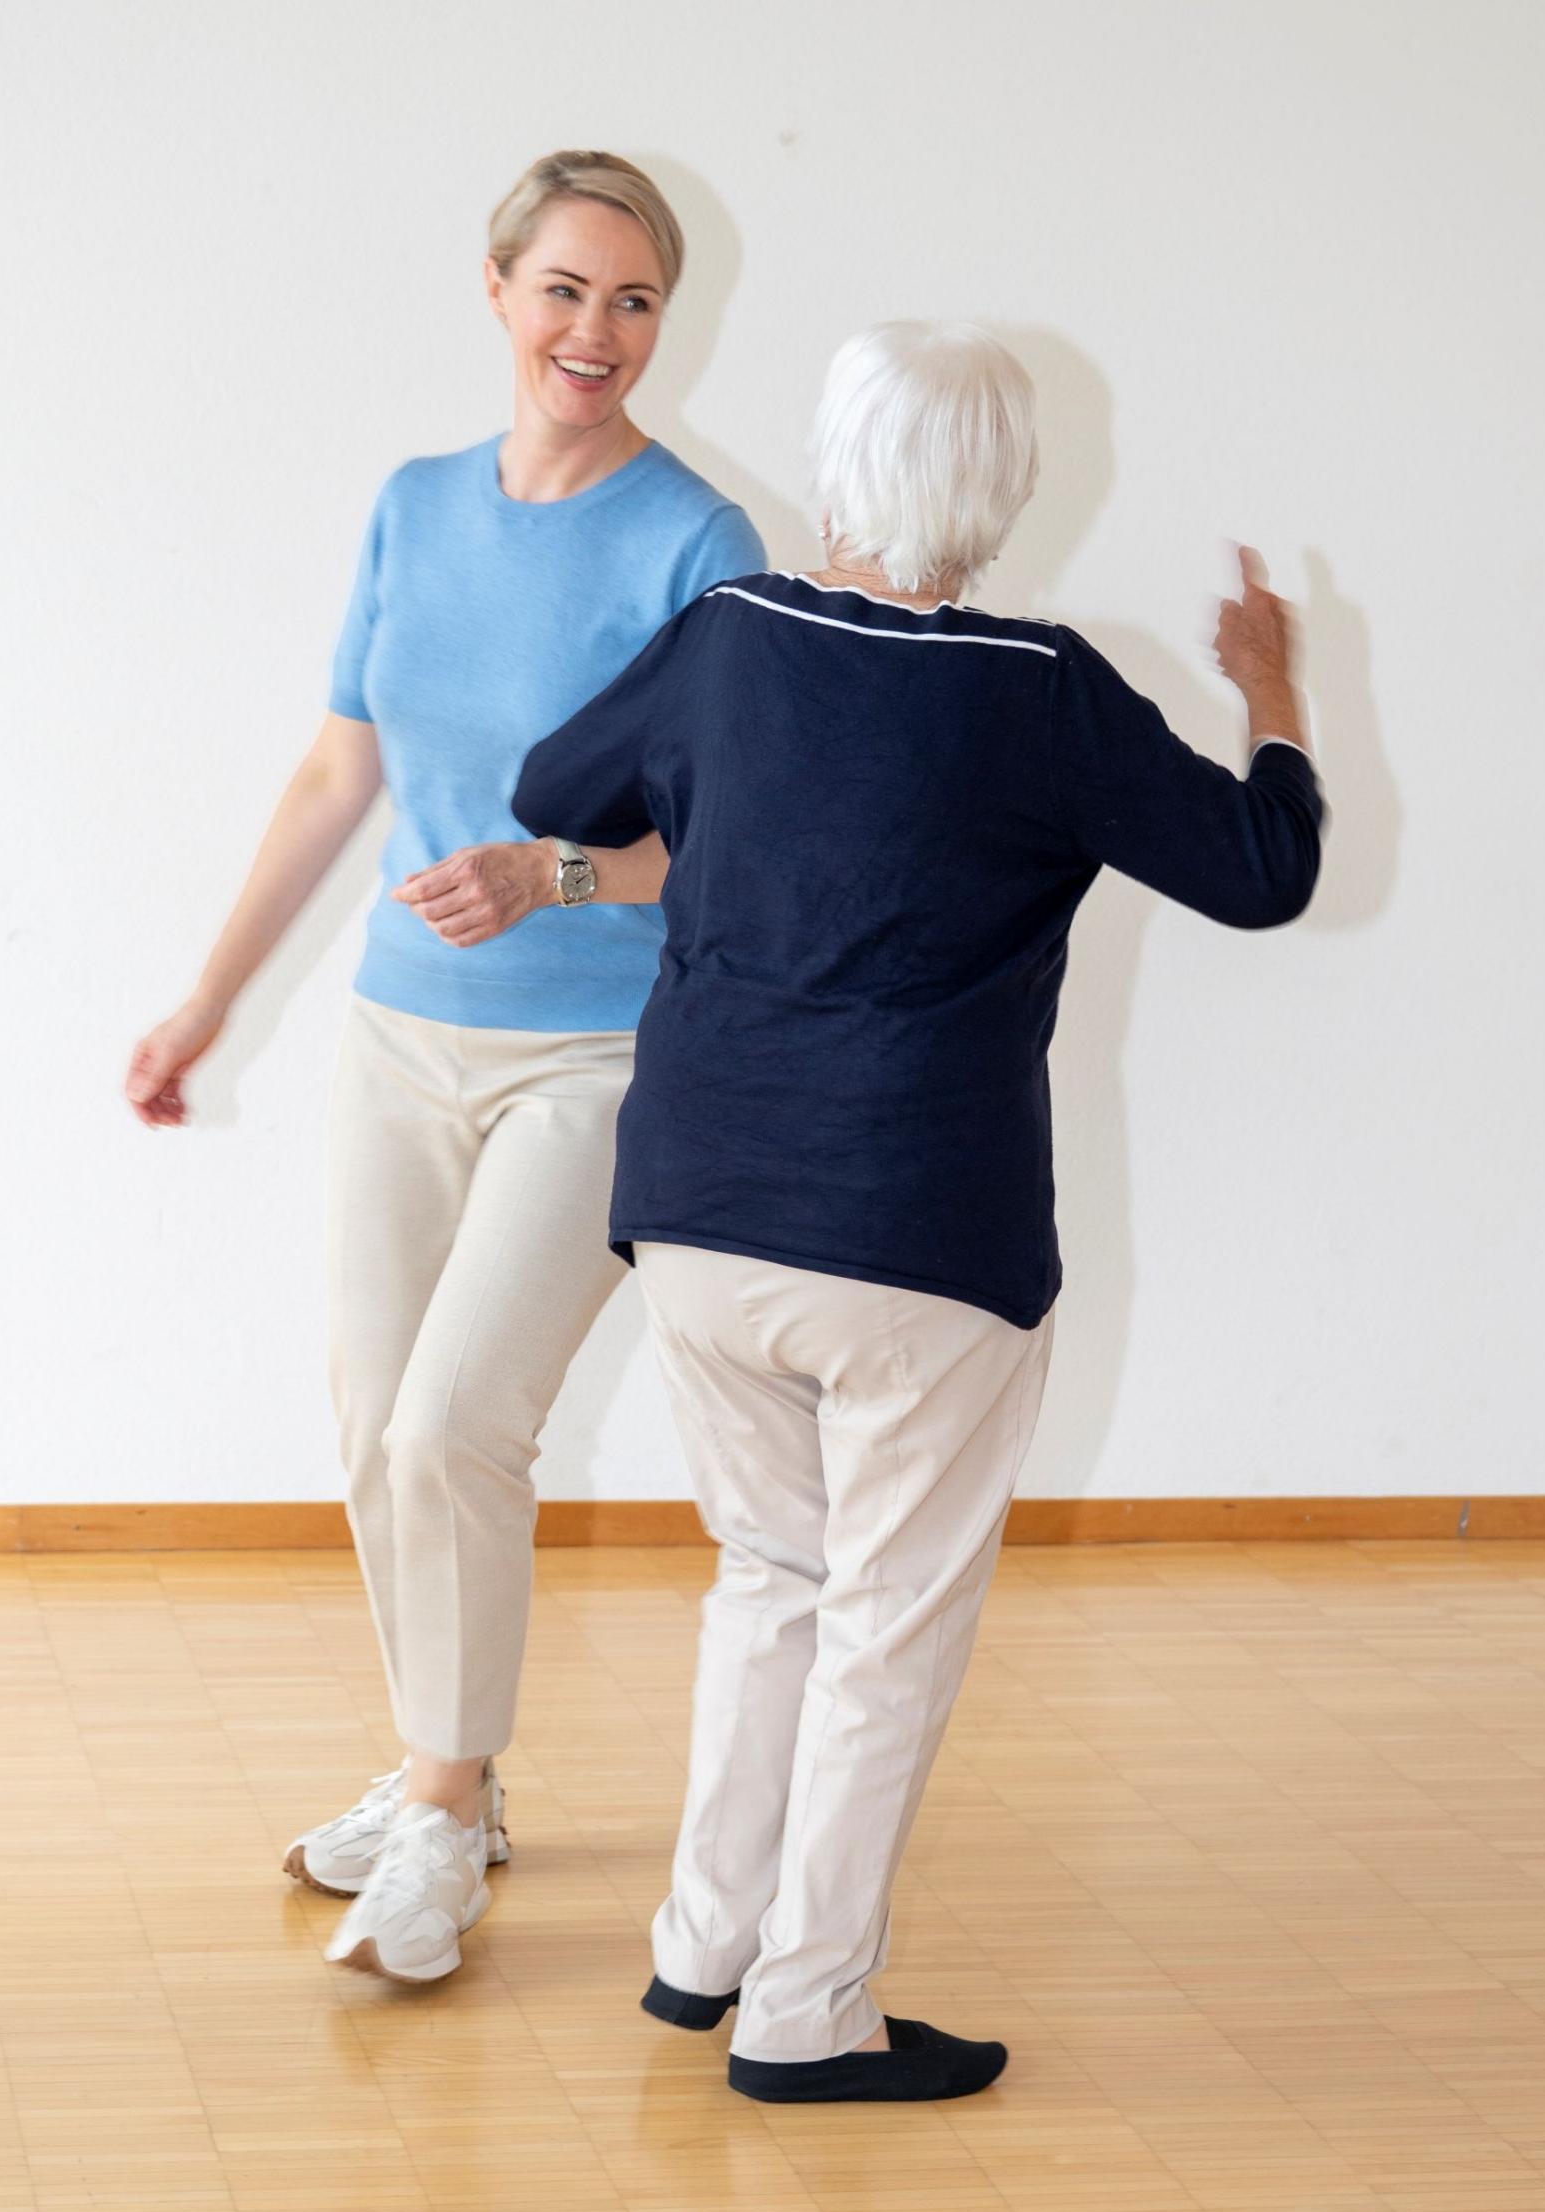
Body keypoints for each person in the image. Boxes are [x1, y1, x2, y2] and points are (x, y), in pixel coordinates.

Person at [509, 321, 1325, 2100]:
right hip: (918, 1240)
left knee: (770, 1581)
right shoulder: (1041, 689)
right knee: (882, 1622)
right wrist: (1271, 690)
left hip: (701, 1211)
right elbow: (1268, 870)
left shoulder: (732, 635)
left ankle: (702, 1951)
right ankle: (808, 2017)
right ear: (1005, 493)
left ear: (838, 465)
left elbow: (551, 791)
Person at [122, 151, 764, 1984]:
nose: (597, 332)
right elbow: (340, 770)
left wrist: (554, 872)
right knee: (370, 1424)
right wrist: (210, 998)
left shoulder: (699, 545)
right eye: (565, 289)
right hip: (401, 1034)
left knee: (453, 1426)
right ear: (497, 291)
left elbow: (739, 840)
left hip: (599, 1053)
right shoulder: (412, 506)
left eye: (635, 301)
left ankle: (438, 1809)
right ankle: (446, 1787)